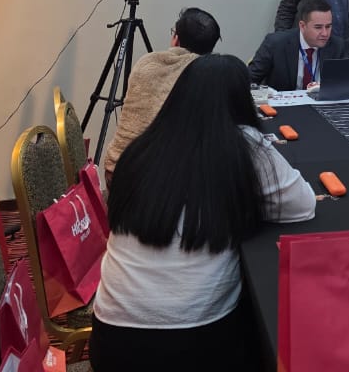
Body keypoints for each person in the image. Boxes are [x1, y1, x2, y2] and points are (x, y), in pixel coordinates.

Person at [90, 55, 315, 370]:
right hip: (196, 343)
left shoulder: (142, 147)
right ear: (242, 102)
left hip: (111, 341)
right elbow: (303, 204)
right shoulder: (245, 145)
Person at [103, 7, 221, 180]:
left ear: (176, 39)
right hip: (158, 182)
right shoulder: (206, 76)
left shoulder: (147, 61)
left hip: (115, 170)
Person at [249, 0, 346, 91]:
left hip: (320, 101)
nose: (325, 33)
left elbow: (345, 83)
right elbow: (249, 80)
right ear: (302, 26)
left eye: (328, 26)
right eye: (318, 27)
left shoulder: (337, 46)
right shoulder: (275, 44)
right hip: (283, 102)